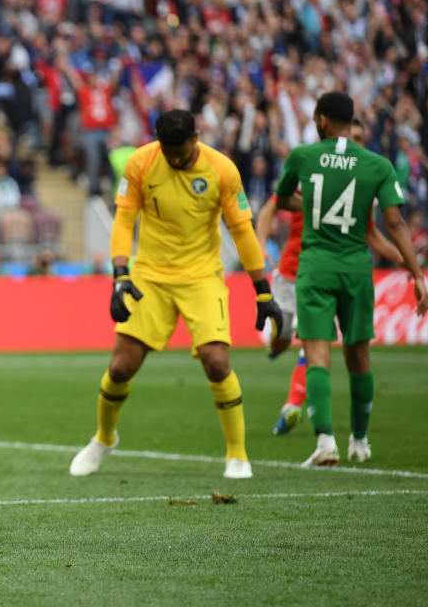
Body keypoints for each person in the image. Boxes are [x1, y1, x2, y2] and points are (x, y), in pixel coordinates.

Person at [69, 109, 283, 480]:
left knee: (217, 361)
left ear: (196, 137)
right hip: (150, 275)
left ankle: (237, 454)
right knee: (120, 367)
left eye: (182, 154)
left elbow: (243, 232)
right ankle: (104, 439)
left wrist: (263, 291)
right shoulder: (141, 162)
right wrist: (120, 275)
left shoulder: (222, 170)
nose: (176, 160)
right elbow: (123, 220)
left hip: (202, 276)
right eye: (169, 154)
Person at [274, 92, 428, 467]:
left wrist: (312, 205)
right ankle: (359, 441)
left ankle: (326, 442)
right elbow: (394, 224)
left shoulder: (303, 157)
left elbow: (281, 200)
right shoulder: (377, 165)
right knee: (359, 357)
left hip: (315, 267)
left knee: (317, 355)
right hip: (357, 270)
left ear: (322, 120)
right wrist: (417, 273)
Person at [256, 116, 404, 436]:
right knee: (282, 339)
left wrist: (404, 257)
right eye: (354, 137)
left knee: (313, 343)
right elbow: (272, 206)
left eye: (362, 139)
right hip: (290, 270)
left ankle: (293, 405)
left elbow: (371, 234)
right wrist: (259, 246)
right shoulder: (312, 169)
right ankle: (279, 346)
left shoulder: (362, 183)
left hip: (320, 274)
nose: (358, 144)